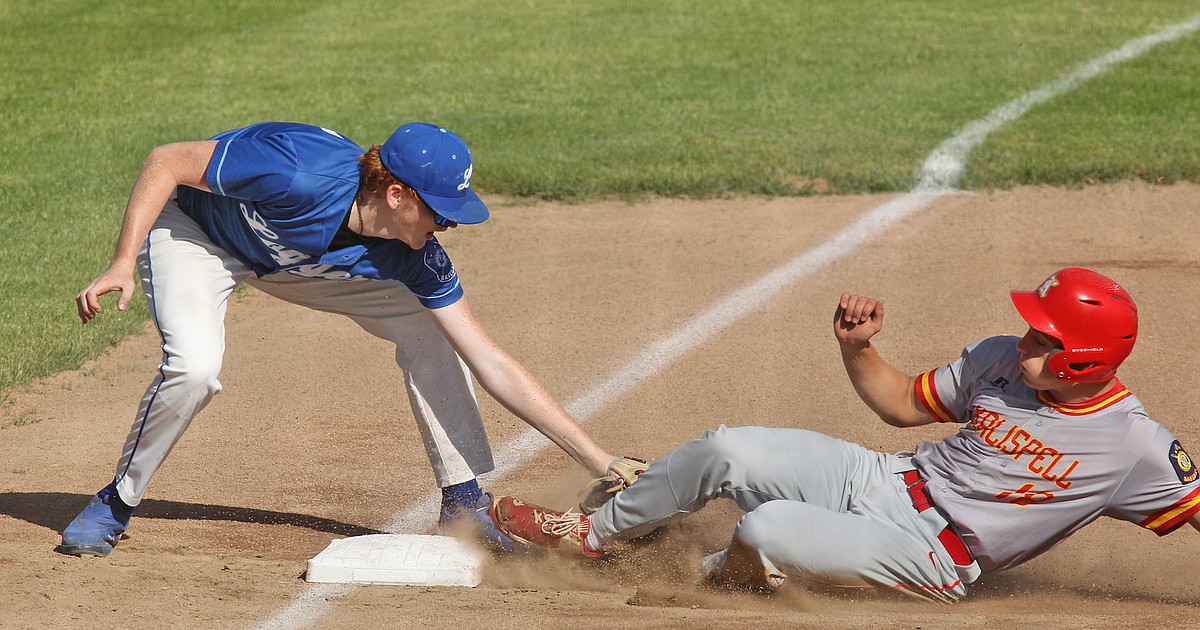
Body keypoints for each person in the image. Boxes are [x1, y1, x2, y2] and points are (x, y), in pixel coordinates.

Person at [61, 121, 641, 557]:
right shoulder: (296, 170)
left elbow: (489, 359)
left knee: (433, 330)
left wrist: (599, 459)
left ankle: (463, 505)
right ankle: (116, 501)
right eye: (440, 214)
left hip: (295, 266)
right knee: (194, 367)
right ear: (397, 196)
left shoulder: (417, 258)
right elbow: (166, 161)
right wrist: (119, 261)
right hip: (199, 236)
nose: (448, 227)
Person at [488, 268, 1200, 602]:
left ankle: (705, 576)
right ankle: (593, 533)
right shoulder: (998, 359)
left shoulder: (1134, 446)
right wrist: (858, 348)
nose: (1022, 341)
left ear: (1086, 360)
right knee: (727, 446)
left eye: (1042, 338)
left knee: (765, 528)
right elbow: (899, 404)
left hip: (932, 553)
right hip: (883, 478)